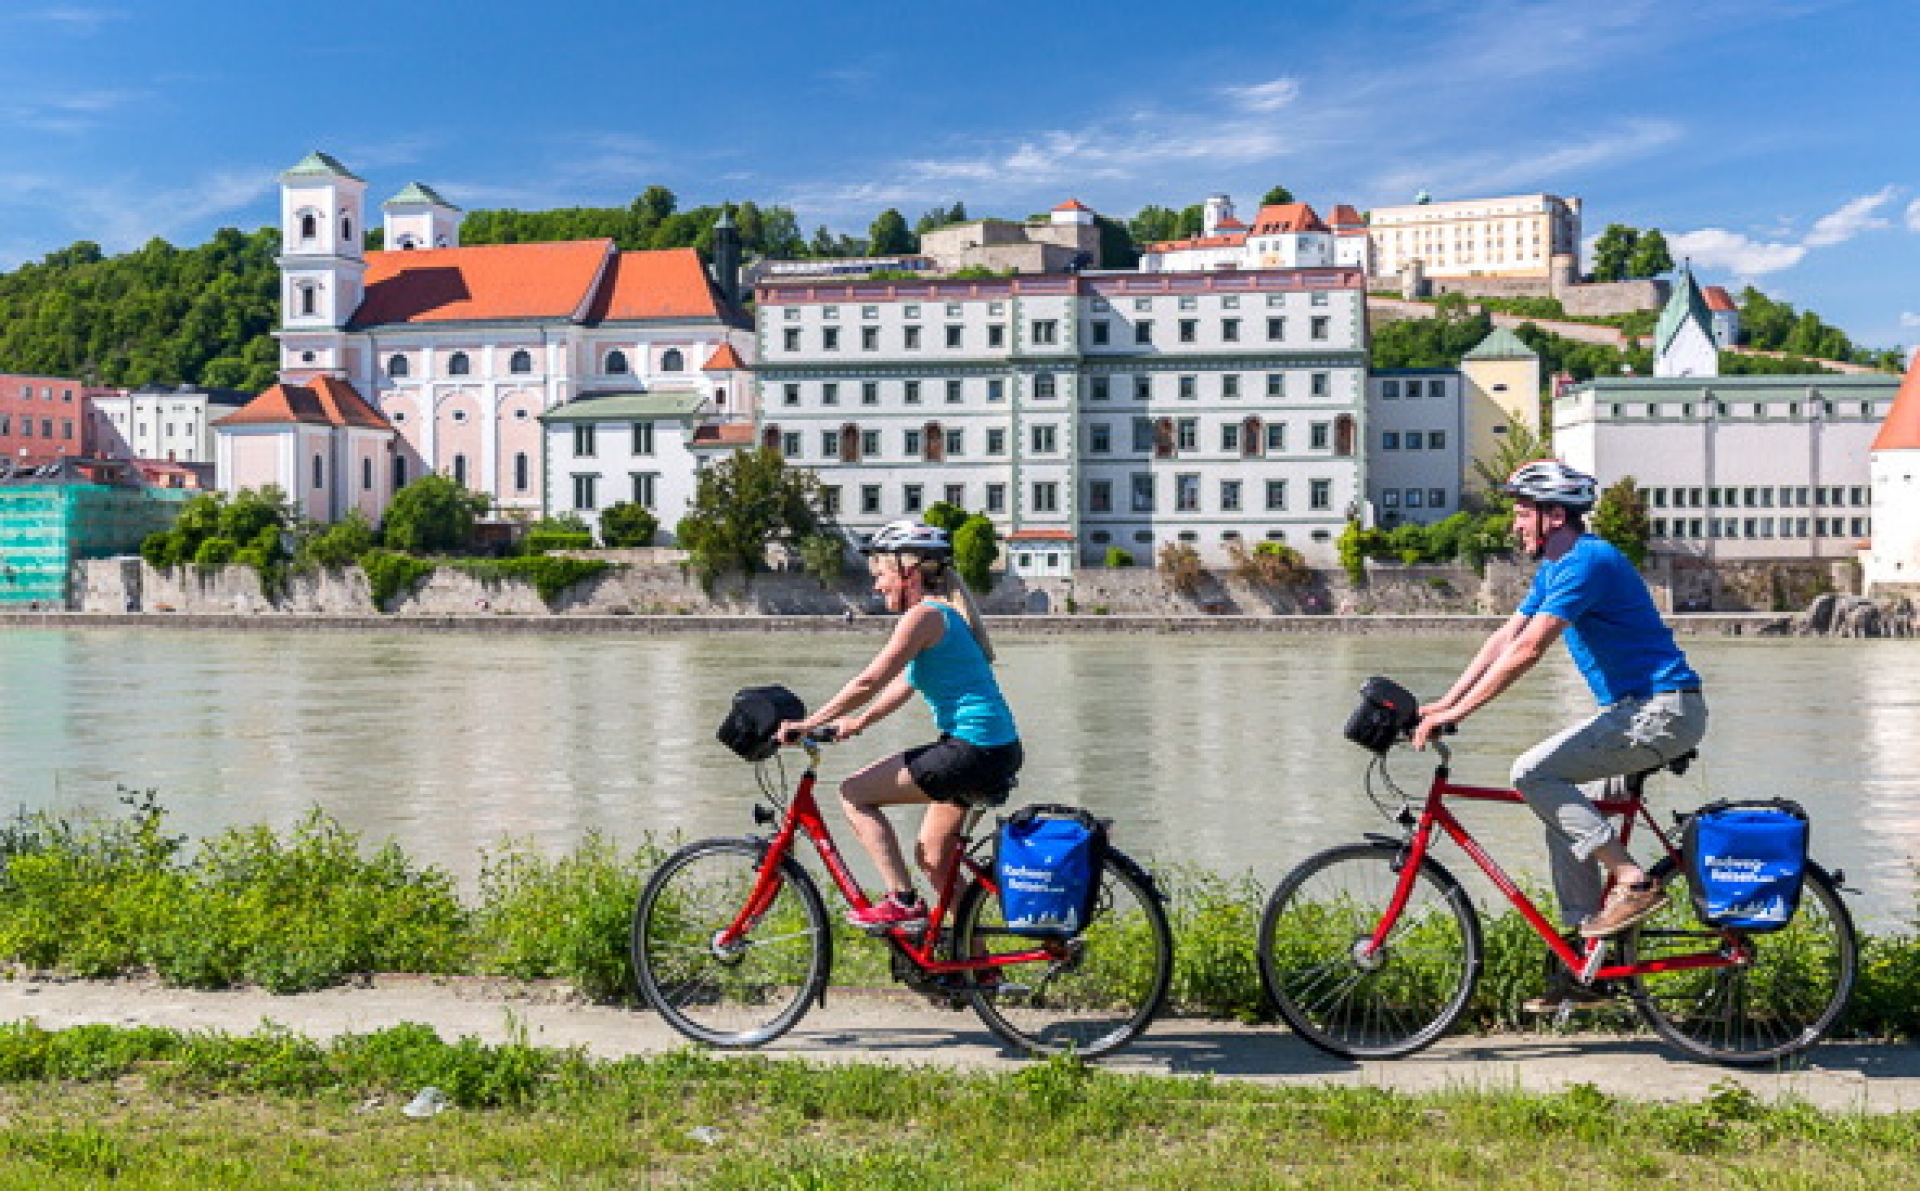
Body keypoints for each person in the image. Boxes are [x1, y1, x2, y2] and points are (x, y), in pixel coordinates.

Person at [1413, 461, 1707, 963]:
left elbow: (1529, 651)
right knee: (1563, 816)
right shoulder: (1557, 566)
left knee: (1531, 772)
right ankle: (1585, 955)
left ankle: (1633, 881)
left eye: (1522, 511)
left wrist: (1462, 710)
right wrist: (1445, 702)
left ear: (1553, 515)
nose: (1515, 522)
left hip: (1661, 710)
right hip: (1637, 712)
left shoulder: (1587, 561)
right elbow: (1505, 637)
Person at [783, 520, 1022, 930]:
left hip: (970, 750)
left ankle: (902, 900)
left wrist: (807, 724)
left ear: (907, 572)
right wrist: (856, 723)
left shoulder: (923, 617)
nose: (876, 587)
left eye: (881, 576)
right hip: (993, 749)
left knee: (854, 792)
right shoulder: (946, 617)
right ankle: (976, 970)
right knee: (935, 860)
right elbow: (904, 685)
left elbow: (869, 681)